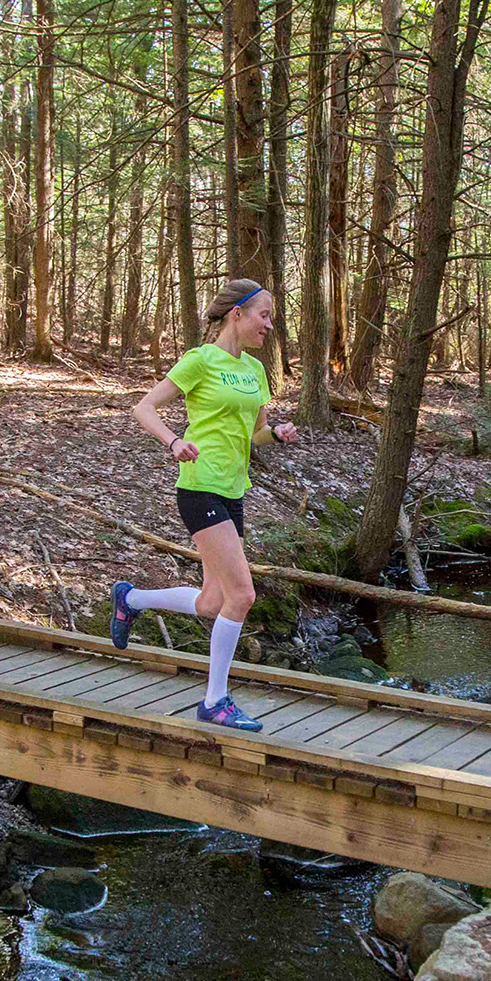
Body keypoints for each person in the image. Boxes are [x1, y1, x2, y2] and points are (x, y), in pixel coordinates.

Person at [111, 278, 299, 731]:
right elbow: (144, 408)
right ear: (238, 313)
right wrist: (173, 441)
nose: (270, 326)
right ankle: (215, 700)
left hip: (235, 490)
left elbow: (254, 432)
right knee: (243, 594)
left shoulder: (254, 370)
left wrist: (275, 435)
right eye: (264, 316)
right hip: (199, 488)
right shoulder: (200, 360)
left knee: (213, 602)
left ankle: (131, 599)